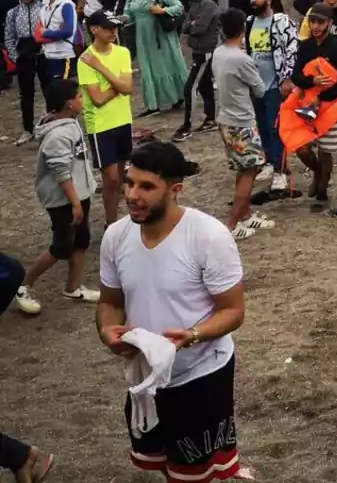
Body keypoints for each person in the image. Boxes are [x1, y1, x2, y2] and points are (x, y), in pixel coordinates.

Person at [96, 142, 246, 483]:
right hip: (144, 378)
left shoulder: (209, 237)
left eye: (146, 186)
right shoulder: (115, 237)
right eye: (129, 182)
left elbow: (234, 311)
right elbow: (110, 301)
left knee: (198, 473)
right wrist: (107, 330)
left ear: (175, 190)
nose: (132, 194)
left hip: (201, 375)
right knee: (164, 465)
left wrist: (193, 336)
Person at [13, 78, 100, 314]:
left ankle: (74, 287)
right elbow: (60, 171)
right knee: (61, 246)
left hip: (78, 195)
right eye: (80, 97)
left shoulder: (70, 123)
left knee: (81, 240)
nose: (83, 100)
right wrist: (75, 203)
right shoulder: (58, 135)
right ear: (69, 104)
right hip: (64, 199)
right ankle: (21, 287)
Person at [212, 8, 275, 239]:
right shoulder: (241, 59)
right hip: (242, 123)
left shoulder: (219, 52)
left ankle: (246, 215)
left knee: (242, 169)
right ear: (243, 30)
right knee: (249, 171)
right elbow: (259, 89)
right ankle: (231, 225)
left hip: (226, 120)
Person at [291, 3, 337, 210]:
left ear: (329, 23)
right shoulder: (305, 46)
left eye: (320, 22)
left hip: (331, 106)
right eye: (313, 21)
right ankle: (318, 173)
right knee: (301, 148)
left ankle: (322, 192)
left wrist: (323, 96)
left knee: (326, 151)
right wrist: (313, 84)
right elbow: (296, 76)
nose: (316, 26)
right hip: (306, 104)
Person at [76, 9, 134, 226]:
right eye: (109, 27)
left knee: (120, 178)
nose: (114, 31)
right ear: (94, 29)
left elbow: (128, 88)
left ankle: (121, 222)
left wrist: (101, 68)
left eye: (116, 26)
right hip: (100, 126)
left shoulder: (121, 53)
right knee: (109, 180)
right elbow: (98, 99)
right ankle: (111, 224)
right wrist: (118, 86)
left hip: (123, 120)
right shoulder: (85, 60)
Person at [245, 0, 298, 191]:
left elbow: (292, 51)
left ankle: (280, 170)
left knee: (276, 128)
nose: (254, 0)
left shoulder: (282, 22)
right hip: (255, 84)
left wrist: (287, 79)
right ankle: (268, 161)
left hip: (275, 84)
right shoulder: (249, 22)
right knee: (262, 126)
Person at [124, 0, 188, 116]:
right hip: (142, 36)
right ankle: (154, 104)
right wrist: (122, 19)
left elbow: (179, 7)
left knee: (168, 63)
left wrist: (163, 11)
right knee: (147, 66)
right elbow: (128, 13)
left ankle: (179, 97)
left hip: (160, 35)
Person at [171, 0, 219, 142]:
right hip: (198, 49)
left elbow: (199, 27)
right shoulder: (195, 3)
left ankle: (187, 126)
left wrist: (191, 24)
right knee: (205, 85)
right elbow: (185, 25)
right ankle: (211, 119)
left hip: (206, 50)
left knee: (190, 88)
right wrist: (191, 24)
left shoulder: (207, 3)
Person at [7, 0, 42, 145]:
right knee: (26, 94)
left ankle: (51, 127)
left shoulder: (44, 9)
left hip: (42, 51)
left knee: (49, 89)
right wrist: (16, 56)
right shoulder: (13, 13)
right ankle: (28, 129)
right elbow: (9, 36)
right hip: (23, 52)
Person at [36, 0, 77, 85]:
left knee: (62, 92)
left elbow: (68, 31)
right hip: (48, 54)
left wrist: (47, 33)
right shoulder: (44, 9)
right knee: (50, 92)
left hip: (63, 55)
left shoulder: (66, 5)